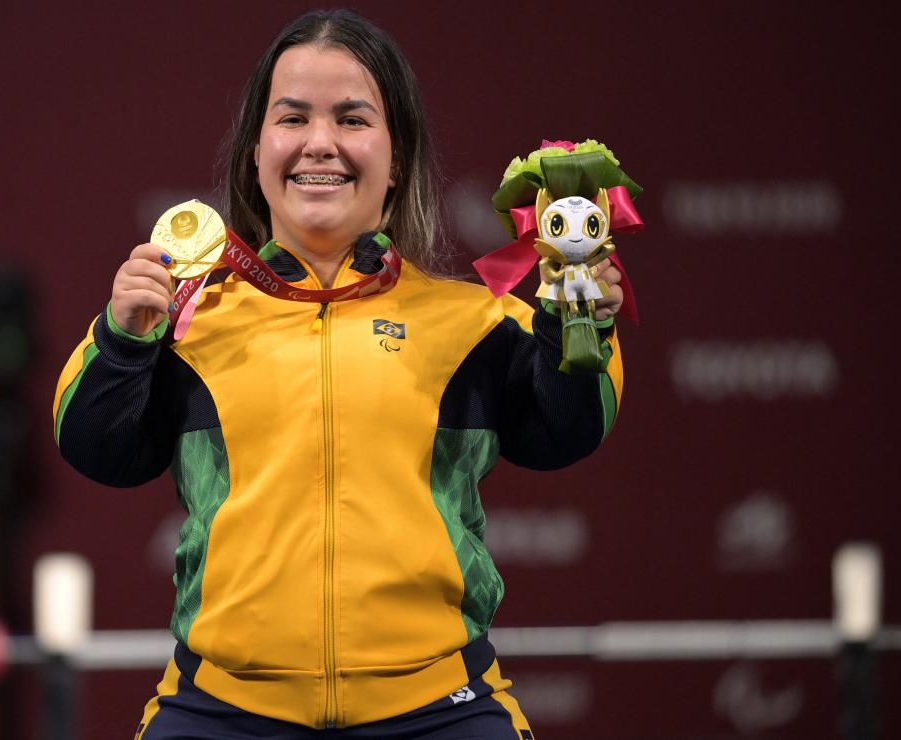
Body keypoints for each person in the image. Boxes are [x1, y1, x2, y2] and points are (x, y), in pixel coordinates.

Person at [52, 9, 624, 739]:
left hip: (438, 711)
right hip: (220, 710)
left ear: (398, 158)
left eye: (352, 118)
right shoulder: (186, 320)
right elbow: (96, 449)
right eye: (292, 117)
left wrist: (579, 322)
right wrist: (125, 339)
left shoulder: (475, 323)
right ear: (256, 153)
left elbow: (567, 431)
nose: (320, 142)